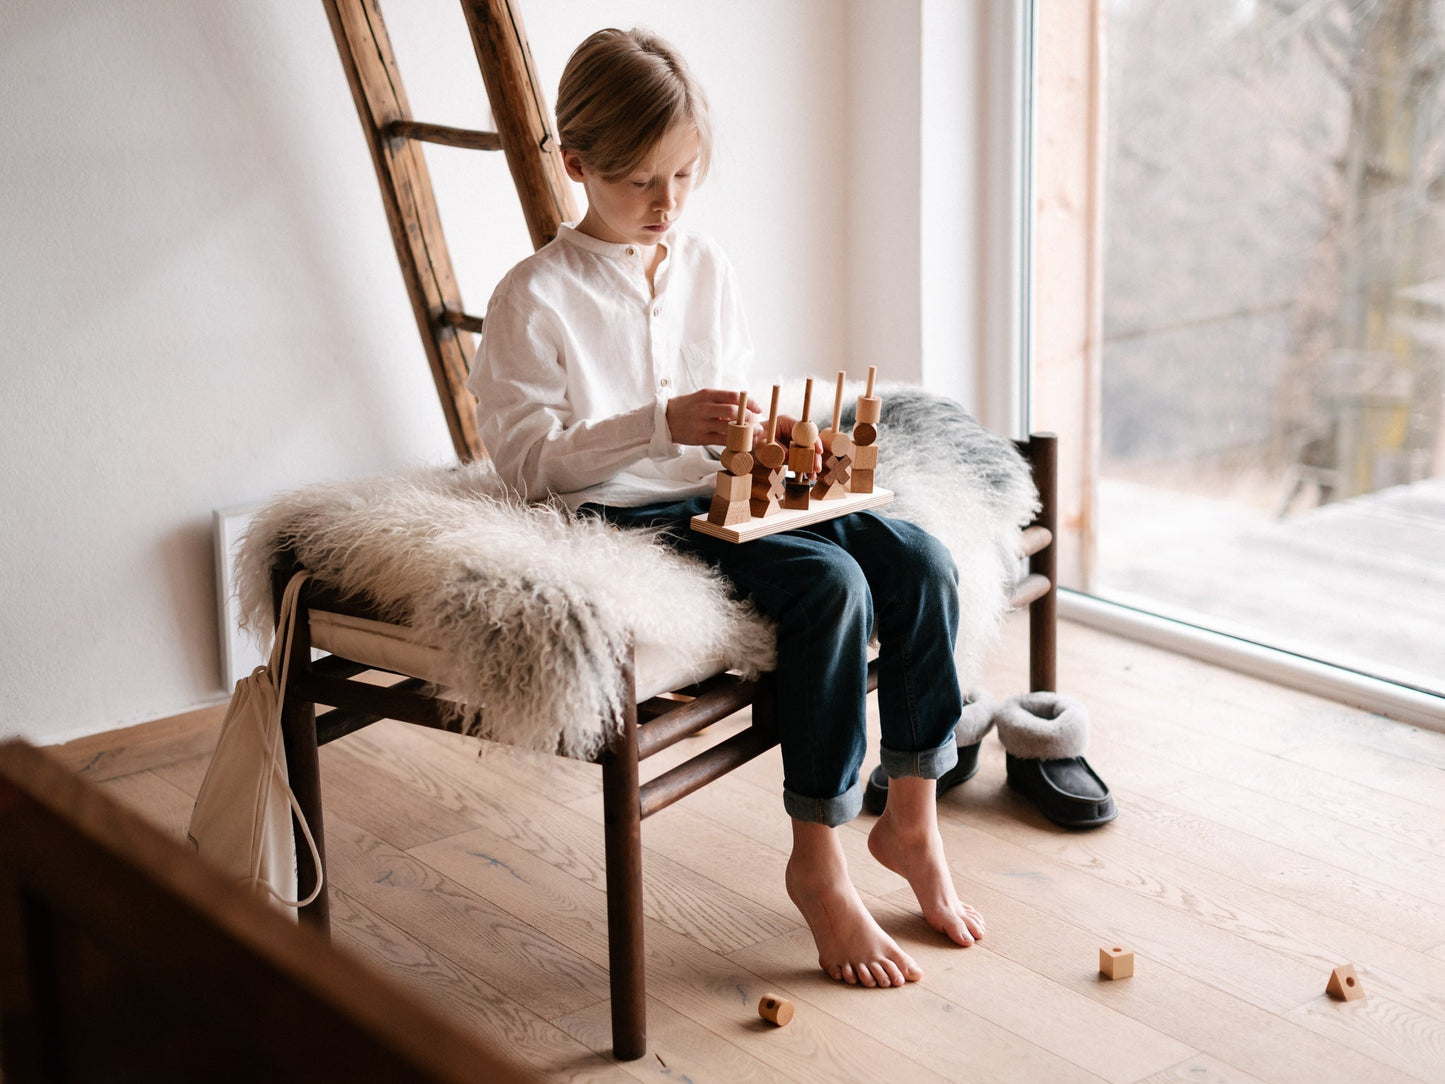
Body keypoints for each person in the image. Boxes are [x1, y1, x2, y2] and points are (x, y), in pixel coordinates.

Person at [468, 27, 984, 988]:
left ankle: (912, 820)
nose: (666, 204)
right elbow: (528, 468)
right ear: (577, 165)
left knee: (919, 558)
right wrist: (656, 423)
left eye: (684, 176)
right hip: (621, 517)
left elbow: (726, 415)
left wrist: (777, 447)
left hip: (725, 496)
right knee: (829, 585)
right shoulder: (532, 298)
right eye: (638, 182)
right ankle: (818, 861)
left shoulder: (706, 267)